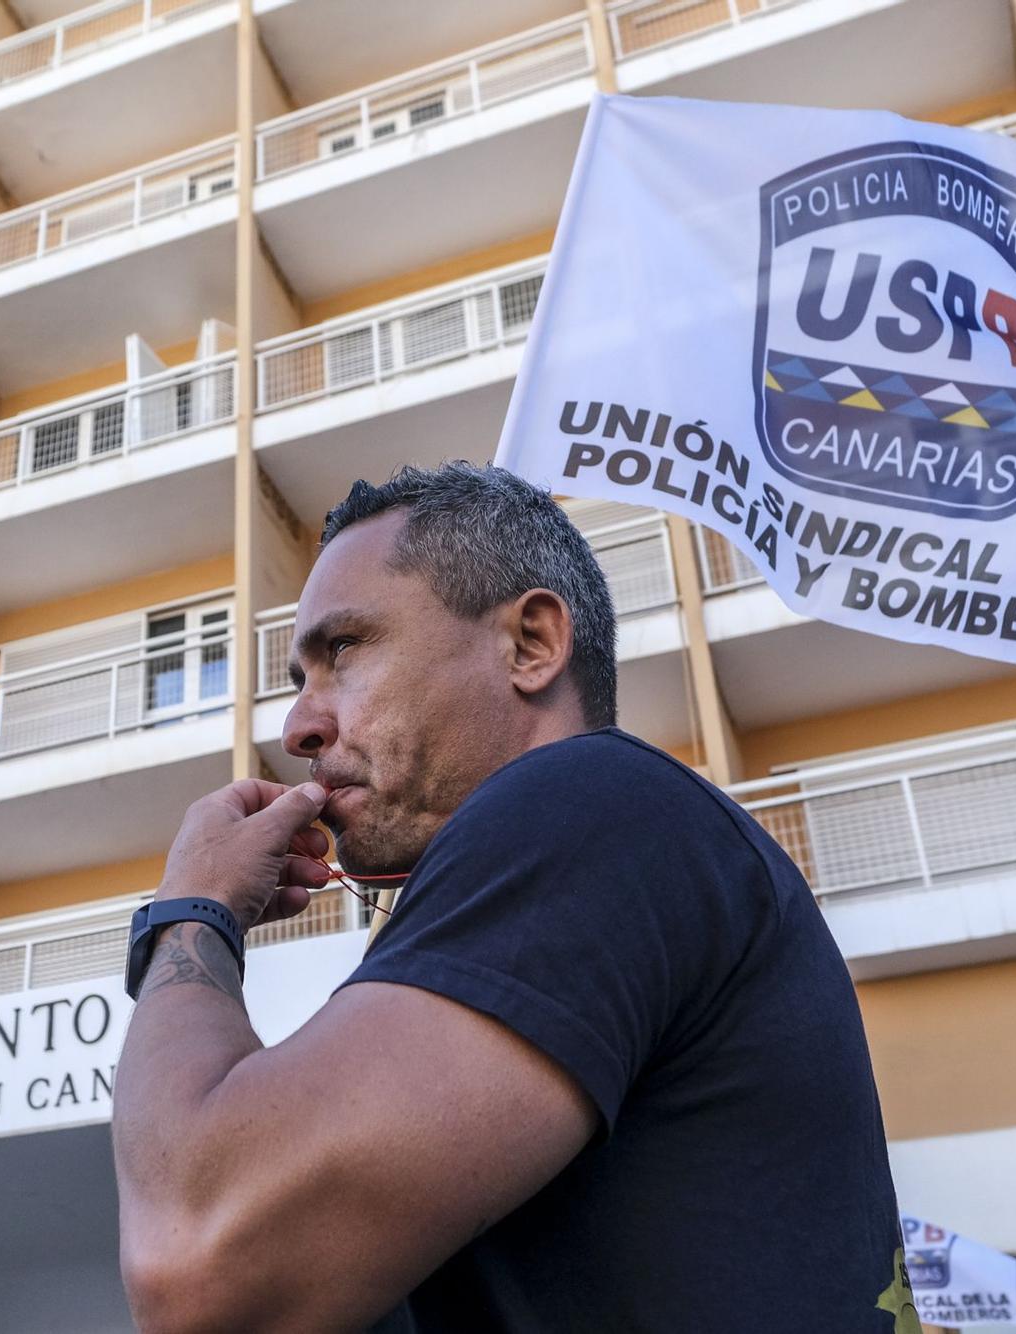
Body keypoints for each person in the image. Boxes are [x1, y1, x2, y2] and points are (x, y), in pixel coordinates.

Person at [112, 463, 910, 1332]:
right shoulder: (597, 848)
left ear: (532, 643)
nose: (298, 726)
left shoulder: (592, 802)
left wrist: (191, 908)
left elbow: (195, 1260)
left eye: (342, 652)